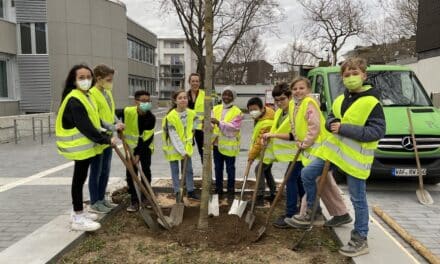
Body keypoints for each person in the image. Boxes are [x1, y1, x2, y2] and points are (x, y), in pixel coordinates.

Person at [296, 57, 385, 257]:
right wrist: (332, 124)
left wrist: (345, 129)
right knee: (307, 174)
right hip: (334, 154)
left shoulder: (372, 102)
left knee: (358, 199)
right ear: (342, 78)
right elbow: (330, 119)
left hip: (355, 160)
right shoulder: (340, 99)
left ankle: (360, 237)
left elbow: (377, 131)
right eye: (347, 75)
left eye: (355, 74)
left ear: (364, 75)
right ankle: (314, 211)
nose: (351, 78)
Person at [279, 77, 351, 229]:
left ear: (308, 90)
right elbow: (294, 124)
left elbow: (314, 127)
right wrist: (298, 141)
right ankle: (341, 214)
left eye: (301, 88)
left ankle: (308, 213)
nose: (298, 91)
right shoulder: (294, 104)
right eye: (295, 89)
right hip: (308, 149)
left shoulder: (309, 103)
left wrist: (305, 143)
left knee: (309, 176)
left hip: (320, 148)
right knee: (324, 183)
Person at [55, 64, 117, 231]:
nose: (86, 80)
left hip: (85, 147)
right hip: (78, 147)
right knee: (78, 180)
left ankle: (80, 211)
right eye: (81, 78)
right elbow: (85, 126)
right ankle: (77, 216)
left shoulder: (86, 96)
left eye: (88, 77)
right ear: (74, 80)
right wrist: (105, 139)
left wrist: (105, 132)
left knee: (81, 178)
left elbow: (94, 122)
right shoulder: (74, 99)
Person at [261, 82, 304, 228]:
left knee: (290, 180)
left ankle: (290, 214)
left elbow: (295, 135)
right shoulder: (279, 112)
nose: (279, 103)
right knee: (299, 181)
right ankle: (306, 209)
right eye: (276, 100)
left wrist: (273, 134)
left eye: (282, 99)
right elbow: (275, 129)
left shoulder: (296, 111)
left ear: (290, 97)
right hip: (292, 155)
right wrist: (268, 137)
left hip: (301, 153)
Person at [88, 64, 124, 214]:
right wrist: (113, 127)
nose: (111, 82)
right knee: (96, 171)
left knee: (105, 170)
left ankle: (102, 199)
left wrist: (118, 122)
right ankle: (95, 202)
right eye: (108, 79)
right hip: (98, 138)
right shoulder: (91, 94)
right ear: (99, 78)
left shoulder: (107, 92)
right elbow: (97, 119)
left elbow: (110, 112)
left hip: (109, 138)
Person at [121, 90, 156, 212]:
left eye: (148, 101)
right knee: (131, 173)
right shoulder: (127, 111)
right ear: (136, 101)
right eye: (143, 101)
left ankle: (146, 197)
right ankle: (134, 200)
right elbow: (113, 117)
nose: (146, 103)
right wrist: (118, 129)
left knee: (145, 171)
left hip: (145, 148)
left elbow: (146, 139)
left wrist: (138, 154)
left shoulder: (151, 118)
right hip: (130, 148)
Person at [162, 89, 200, 201]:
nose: (183, 100)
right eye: (180, 98)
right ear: (175, 100)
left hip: (186, 147)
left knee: (188, 169)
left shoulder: (191, 113)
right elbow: (174, 136)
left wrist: (194, 127)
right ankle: (177, 191)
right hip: (174, 148)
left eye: (185, 97)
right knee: (175, 170)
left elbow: (196, 119)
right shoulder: (170, 117)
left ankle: (190, 190)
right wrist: (182, 151)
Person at [211, 86, 243, 199]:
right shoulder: (215, 109)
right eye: (225, 94)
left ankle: (230, 190)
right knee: (218, 168)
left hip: (230, 146)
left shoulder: (237, 112)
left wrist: (218, 123)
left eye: (230, 95)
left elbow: (234, 127)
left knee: (230, 169)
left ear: (233, 97)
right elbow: (211, 124)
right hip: (216, 144)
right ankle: (218, 189)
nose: (226, 97)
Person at [246, 97, 276, 203]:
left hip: (269, 151)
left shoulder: (267, 122)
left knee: (258, 170)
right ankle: (274, 193)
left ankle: (259, 196)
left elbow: (259, 142)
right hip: (267, 151)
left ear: (262, 108)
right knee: (266, 171)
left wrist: (251, 156)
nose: (252, 112)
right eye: (250, 110)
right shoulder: (262, 117)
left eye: (254, 109)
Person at [187, 73, 205, 162]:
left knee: (203, 152)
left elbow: (211, 111)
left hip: (200, 128)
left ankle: (206, 174)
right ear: (189, 82)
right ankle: (187, 174)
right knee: (186, 152)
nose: (195, 83)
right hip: (187, 127)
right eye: (193, 81)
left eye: (197, 81)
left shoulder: (205, 95)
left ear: (200, 83)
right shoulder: (185, 95)